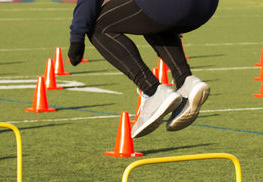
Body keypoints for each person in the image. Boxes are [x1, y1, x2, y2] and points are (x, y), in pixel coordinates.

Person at [68, 0, 219, 138]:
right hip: (205, 9)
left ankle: (153, 91)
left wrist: (77, 36)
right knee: (153, 18)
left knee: (98, 26)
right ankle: (186, 81)